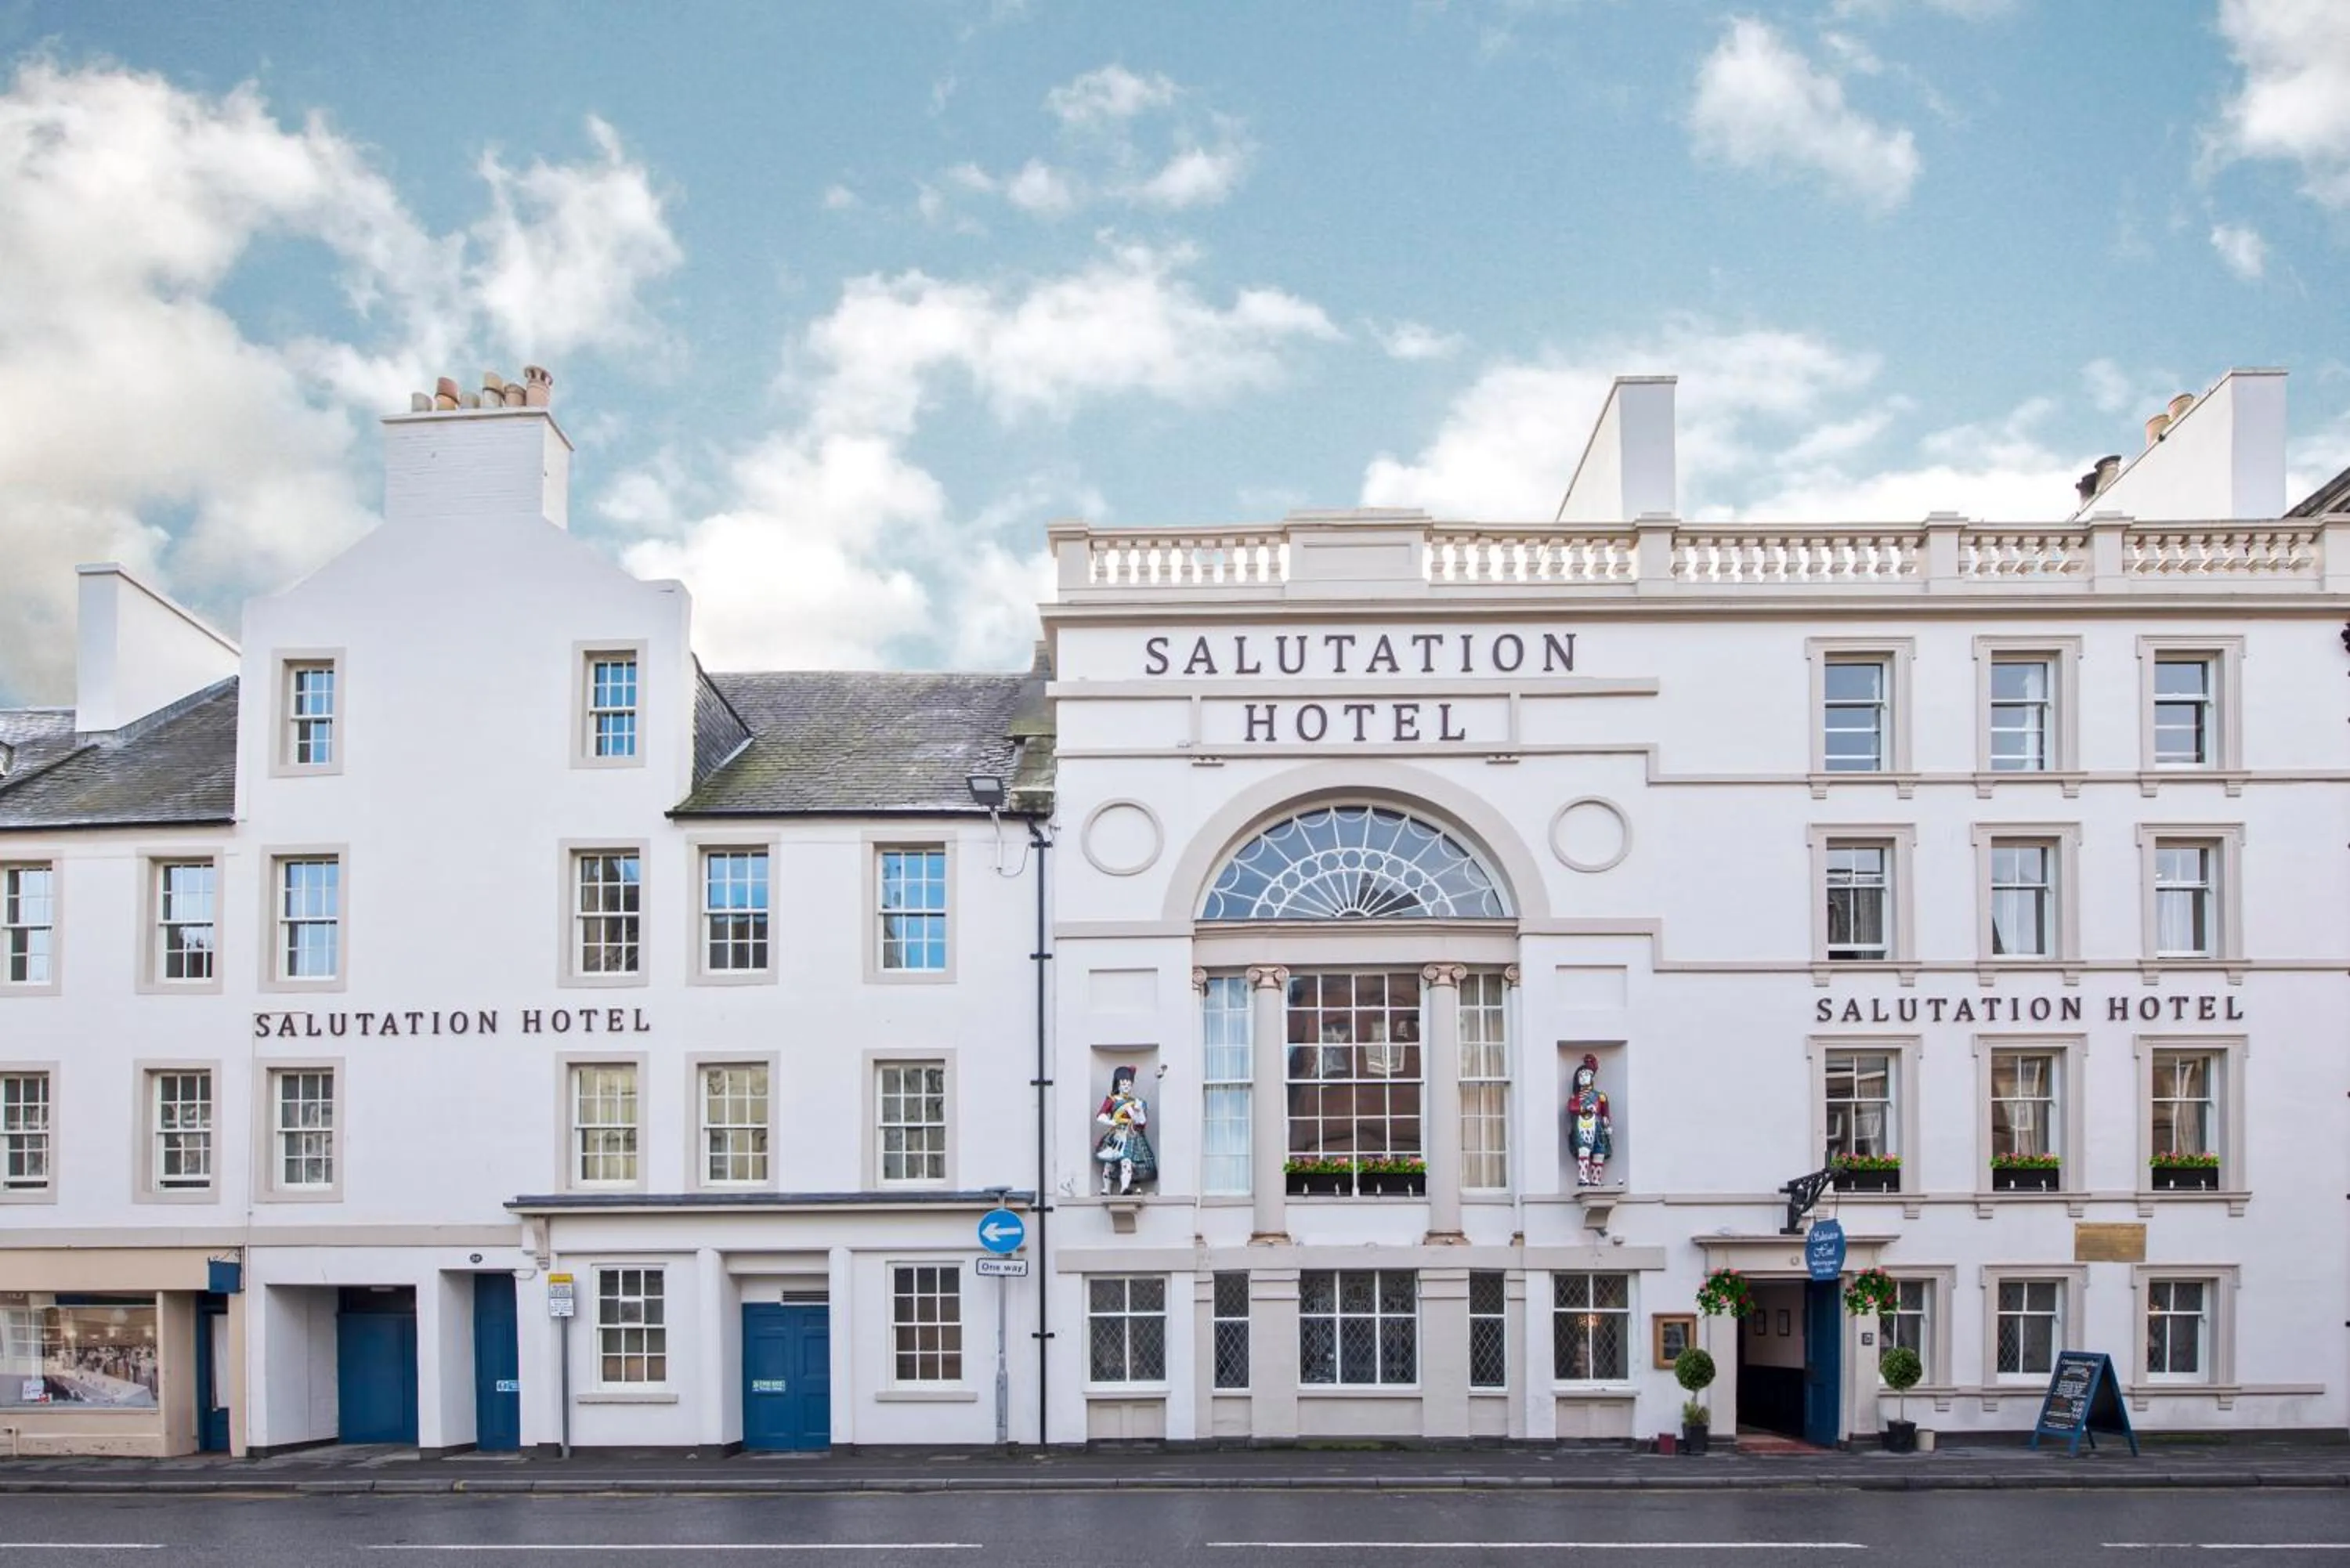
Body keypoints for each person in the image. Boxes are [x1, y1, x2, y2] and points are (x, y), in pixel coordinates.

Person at [1094, 1064, 1159, 1195]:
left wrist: (1139, 1111)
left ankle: (1125, 1187)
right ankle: (1106, 1188)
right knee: (1109, 1162)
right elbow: (1101, 1115)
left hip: (1130, 1134)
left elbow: (1141, 1123)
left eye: (1129, 1084)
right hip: (1115, 1134)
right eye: (1124, 1083)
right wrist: (1110, 1121)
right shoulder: (1112, 1099)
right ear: (1118, 1084)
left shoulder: (1137, 1102)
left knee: (1127, 1161)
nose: (1126, 1086)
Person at [1567, 1053, 1613, 1187]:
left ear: (1592, 1077)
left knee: (1599, 1153)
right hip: (1583, 1126)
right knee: (1584, 1150)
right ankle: (1583, 1177)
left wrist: (1606, 1120)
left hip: (1597, 1126)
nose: (1583, 1078)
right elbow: (1572, 1107)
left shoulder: (1600, 1096)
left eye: (1586, 1075)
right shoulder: (1575, 1097)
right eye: (1581, 1076)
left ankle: (1596, 1180)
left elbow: (1605, 1111)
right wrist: (1585, 1109)